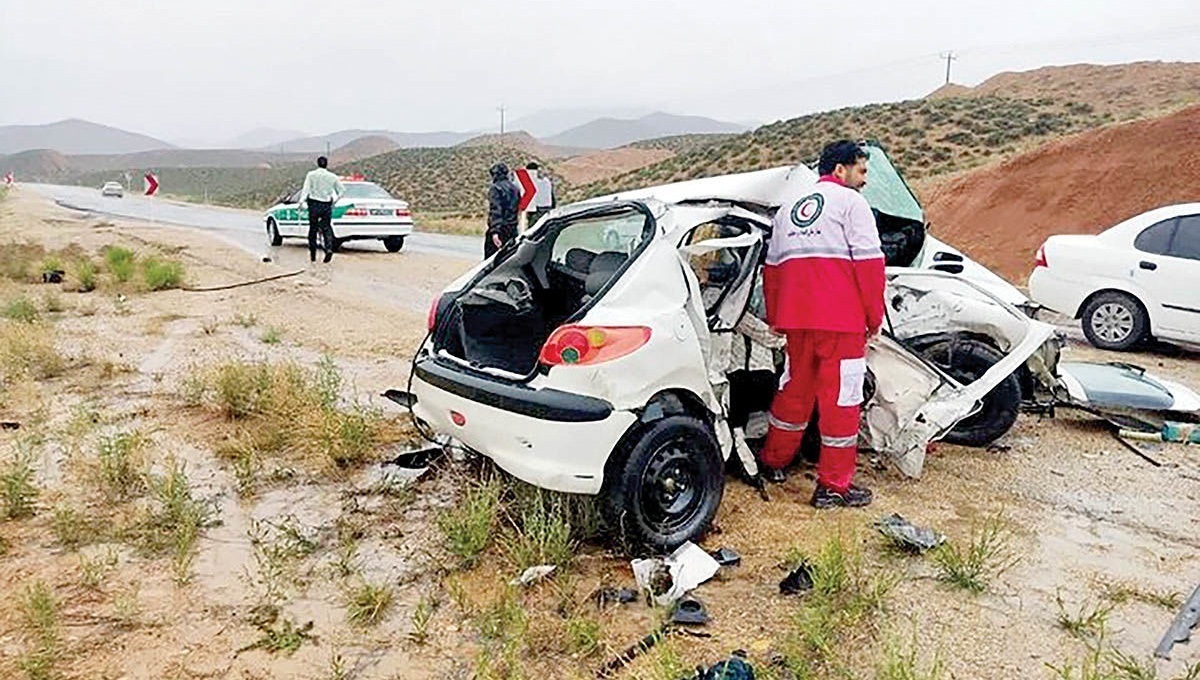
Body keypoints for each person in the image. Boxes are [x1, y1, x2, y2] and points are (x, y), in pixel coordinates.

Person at [759, 140, 886, 509]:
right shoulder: (851, 204)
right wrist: (873, 317)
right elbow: (869, 266)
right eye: (861, 171)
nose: (864, 180)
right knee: (841, 403)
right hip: (841, 322)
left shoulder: (789, 210)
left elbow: (774, 270)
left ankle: (773, 460)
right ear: (840, 170)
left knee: (795, 390)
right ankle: (833, 487)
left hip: (798, 321)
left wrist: (777, 317)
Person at [299, 156, 344, 263]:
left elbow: (306, 189)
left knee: (313, 229)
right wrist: (334, 201)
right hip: (326, 205)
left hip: (314, 204)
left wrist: (301, 201)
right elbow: (342, 190)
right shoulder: (332, 176)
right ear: (326, 164)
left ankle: (313, 254)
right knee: (326, 228)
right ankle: (328, 248)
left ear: (318, 163)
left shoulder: (311, 175)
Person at [486, 162, 520, 258]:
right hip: (512, 229)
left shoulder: (495, 188)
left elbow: (496, 210)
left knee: (491, 261)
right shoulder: (515, 189)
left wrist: (495, 231)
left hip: (501, 229)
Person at [522, 162, 556, 227]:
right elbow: (552, 198)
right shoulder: (546, 181)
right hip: (547, 210)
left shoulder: (530, 183)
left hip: (536, 212)